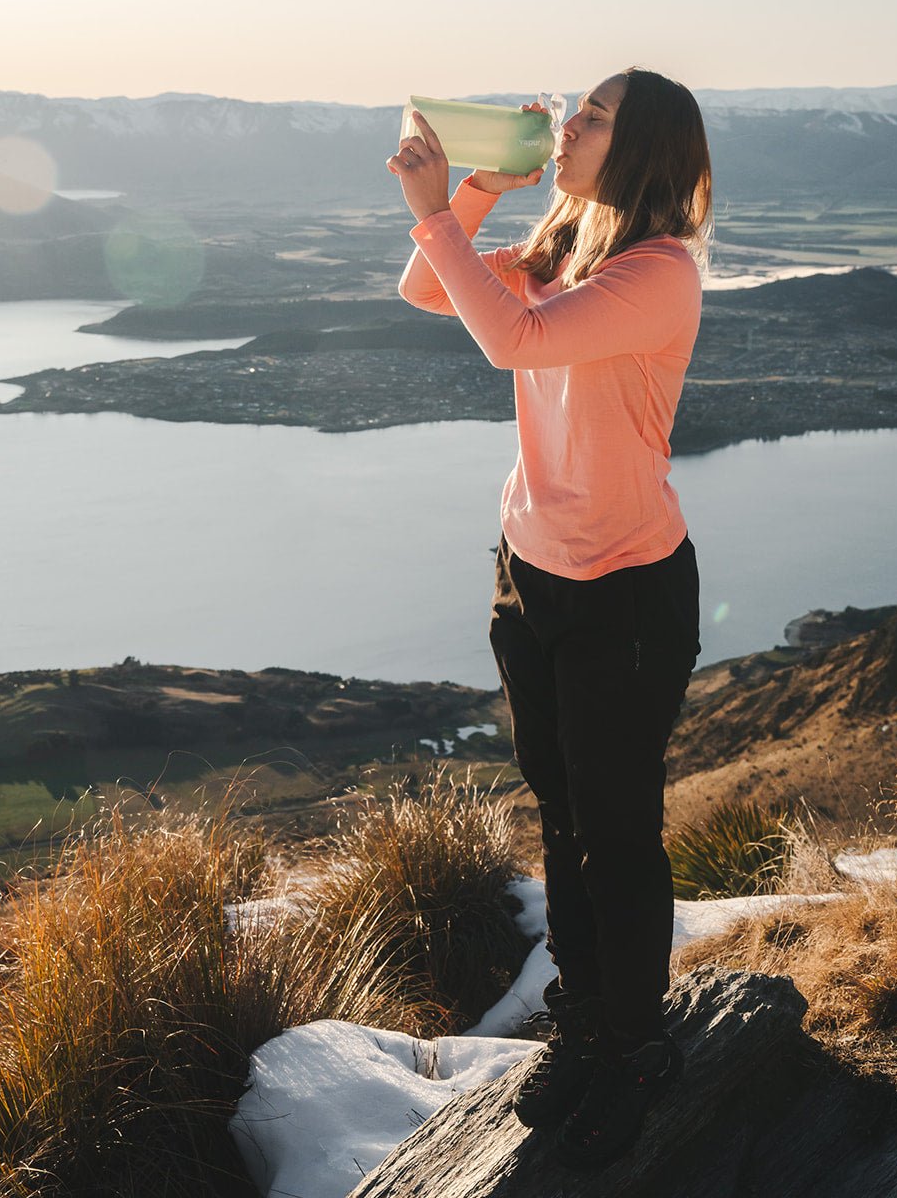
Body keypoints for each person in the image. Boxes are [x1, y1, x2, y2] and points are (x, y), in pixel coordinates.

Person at [387, 67, 713, 1170]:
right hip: (530, 574)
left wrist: (434, 211)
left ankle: (635, 1047)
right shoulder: (564, 239)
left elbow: (509, 344)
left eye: (593, 117)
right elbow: (426, 291)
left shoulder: (658, 272)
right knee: (563, 809)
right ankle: (588, 1018)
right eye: (573, 109)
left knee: (614, 829)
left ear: (643, 149)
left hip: (624, 589)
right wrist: (472, 188)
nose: (567, 125)